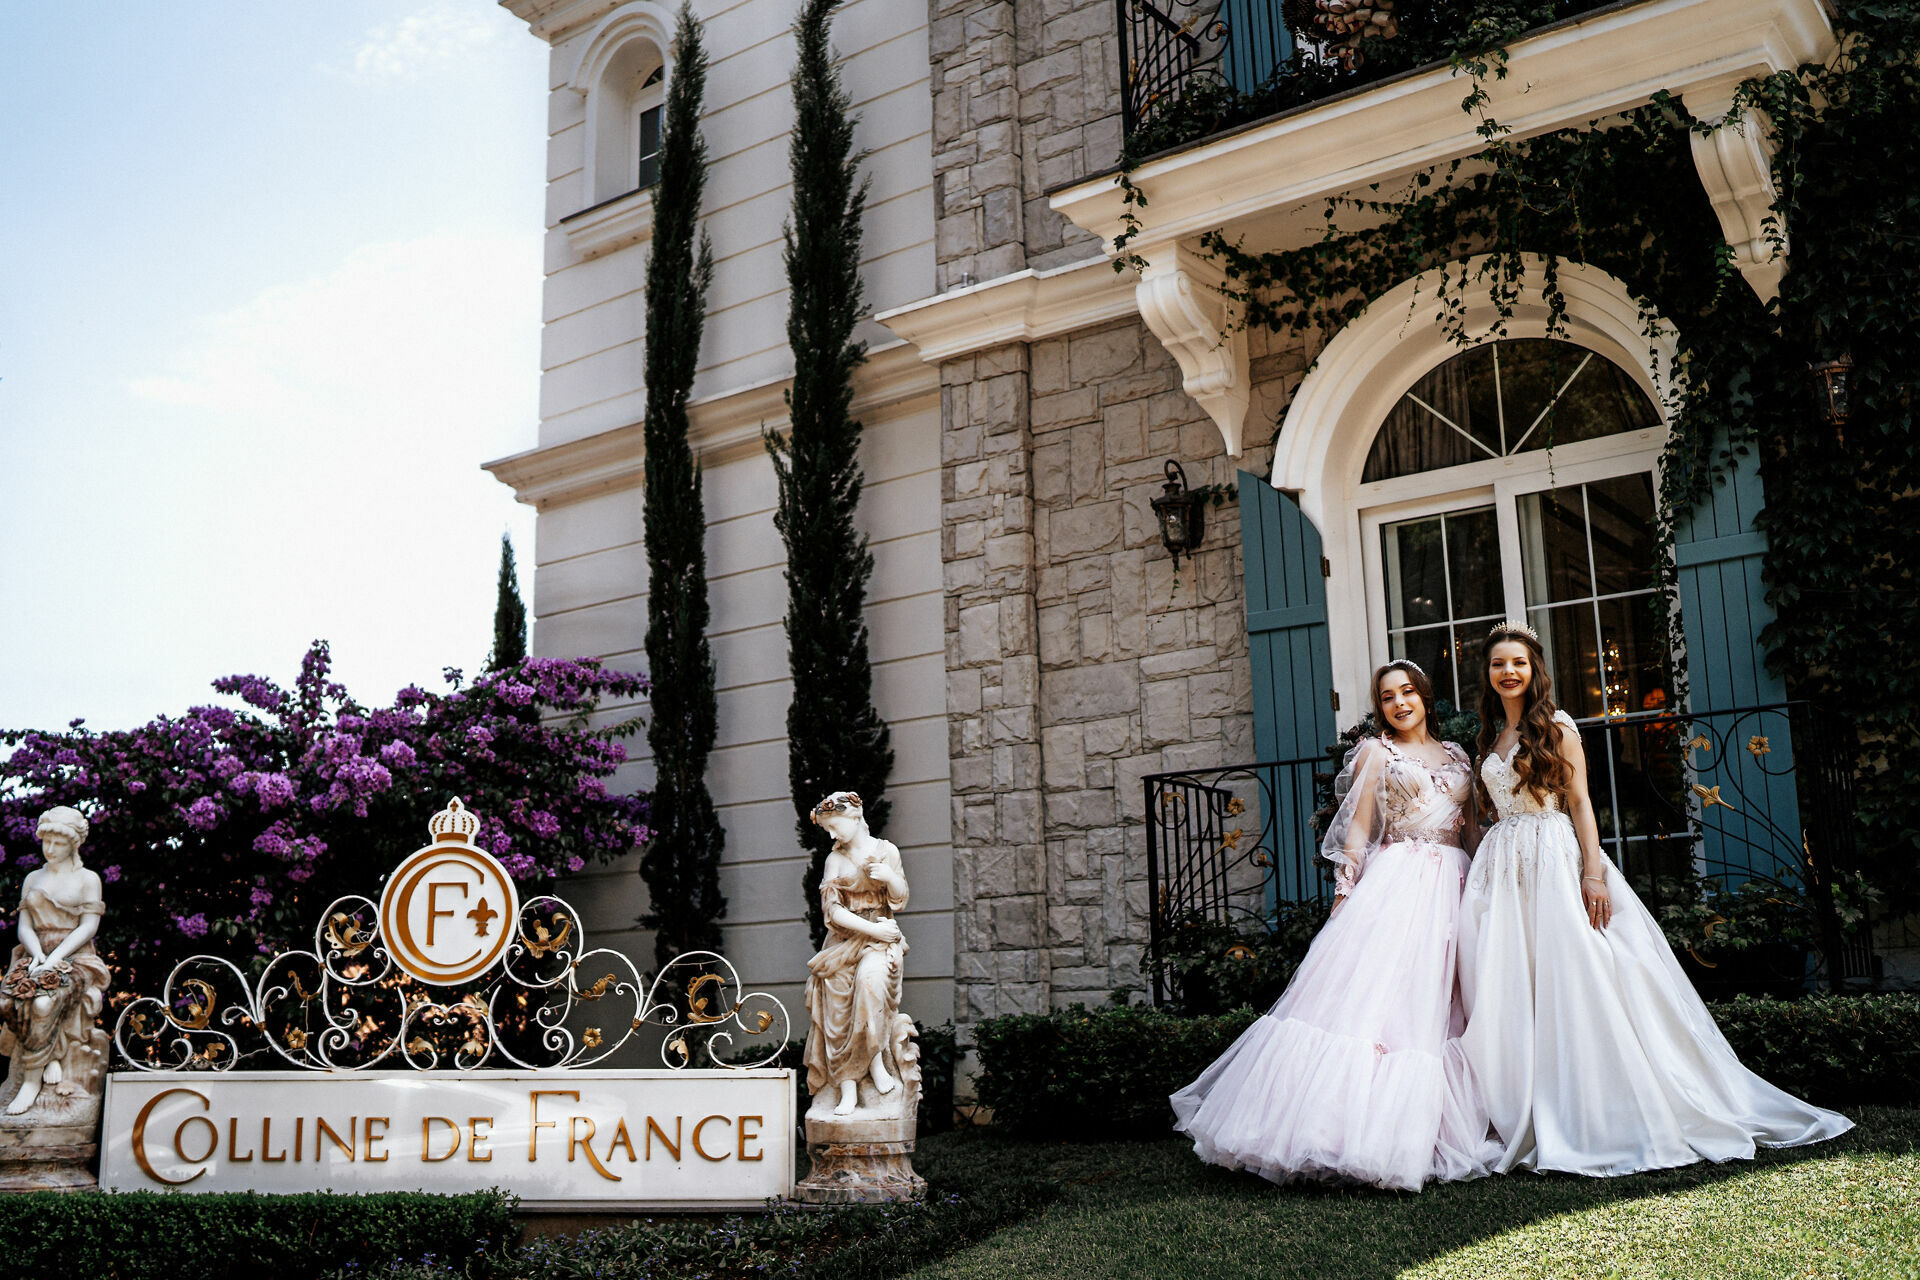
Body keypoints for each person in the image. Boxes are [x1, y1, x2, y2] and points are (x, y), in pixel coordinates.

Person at [1458, 621, 1852, 1175]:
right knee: (1515, 980)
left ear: (1534, 670)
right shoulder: (1491, 736)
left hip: (1551, 854)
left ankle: (1594, 1105)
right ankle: (1523, 1094)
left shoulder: (1558, 726)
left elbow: (1581, 805)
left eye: (1517, 663)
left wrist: (1592, 874)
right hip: (1505, 865)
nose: (1508, 672)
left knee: (1576, 970)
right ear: (1488, 675)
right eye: (1498, 664)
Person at [1170, 662, 1495, 1191]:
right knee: (1387, 1006)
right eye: (1388, 697)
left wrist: (1488, 881)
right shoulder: (1376, 752)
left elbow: (1474, 829)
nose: (1399, 703)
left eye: (1408, 692)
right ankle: (1350, 1132)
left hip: (1454, 884)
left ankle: (1439, 1123)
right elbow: (1360, 830)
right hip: (1399, 884)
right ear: (1380, 706)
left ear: (1426, 697)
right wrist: (1346, 897)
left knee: (1445, 1003)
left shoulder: (1459, 756)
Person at [802, 791, 918, 1118]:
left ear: (854, 817)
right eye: (827, 829)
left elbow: (901, 899)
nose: (832, 834)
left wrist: (891, 878)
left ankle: (876, 1062)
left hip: (881, 944)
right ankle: (848, 1085)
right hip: (843, 943)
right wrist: (874, 931)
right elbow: (833, 914)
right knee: (835, 1004)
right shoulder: (834, 860)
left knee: (869, 985)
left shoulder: (886, 851)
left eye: (834, 826)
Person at [1, 806, 110, 1117]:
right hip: (35, 953)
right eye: (46, 841)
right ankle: (49, 1056)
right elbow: (25, 926)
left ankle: (31, 1082)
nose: (50, 849)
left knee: (44, 1004)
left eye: (58, 843)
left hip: (75, 956)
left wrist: (55, 958)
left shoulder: (88, 879)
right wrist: (36, 954)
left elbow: (88, 927)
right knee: (7, 1002)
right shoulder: (33, 877)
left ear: (74, 844)